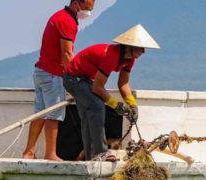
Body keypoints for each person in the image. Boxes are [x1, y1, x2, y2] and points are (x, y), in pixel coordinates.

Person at [62, 24, 160, 161]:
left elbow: (123, 84)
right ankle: (102, 153)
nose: (143, 52)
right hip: (73, 79)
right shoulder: (111, 55)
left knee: (88, 115)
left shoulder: (130, 60)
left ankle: (91, 158)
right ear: (130, 46)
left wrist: (132, 105)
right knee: (97, 105)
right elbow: (97, 88)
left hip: (86, 80)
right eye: (141, 47)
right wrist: (116, 105)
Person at [22, 0, 95, 161]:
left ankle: (29, 152)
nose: (88, 12)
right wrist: (74, 81)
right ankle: (50, 154)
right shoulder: (67, 21)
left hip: (41, 71)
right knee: (54, 115)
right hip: (53, 74)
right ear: (76, 4)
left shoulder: (58, 16)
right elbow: (66, 54)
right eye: (87, 8)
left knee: (40, 113)